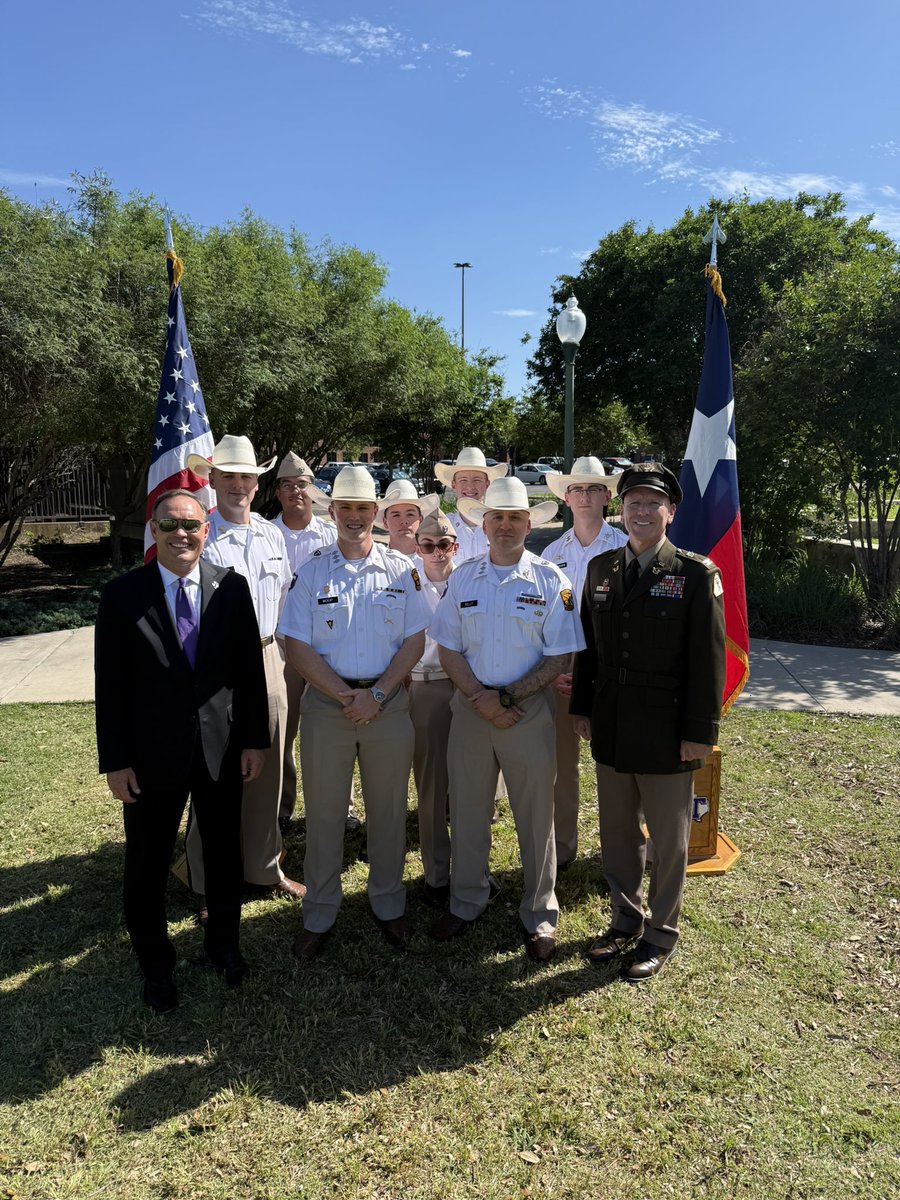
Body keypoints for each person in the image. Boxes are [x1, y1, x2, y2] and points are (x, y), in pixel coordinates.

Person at [95, 489, 270, 1012]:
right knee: (146, 865)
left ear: (206, 531)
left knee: (222, 857)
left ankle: (224, 946)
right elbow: (112, 686)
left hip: (220, 751)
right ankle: (156, 965)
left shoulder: (231, 589)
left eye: (191, 526)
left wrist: (254, 740)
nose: (181, 535)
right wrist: (116, 760)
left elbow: (249, 674)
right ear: (154, 531)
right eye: (169, 526)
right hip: (149, 758)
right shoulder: (123, 595)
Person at [570, 463, 725, 982]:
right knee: (617, 833)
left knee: (667, 837)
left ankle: (660, 933)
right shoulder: (601, 570)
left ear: (670, 512)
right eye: (632, 502)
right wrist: (582, 708)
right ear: (621, 509)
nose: (640, 511)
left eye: (651, 503)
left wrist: (699, 733)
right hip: (611, 723)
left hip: (666, 730)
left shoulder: (695, 573)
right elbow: (590, 650)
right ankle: (624, 919)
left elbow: (709, 661)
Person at [429, 477, 584, 963]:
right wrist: (480, 697)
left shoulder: (550, 580)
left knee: (536, 816)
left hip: (529, 712)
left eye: (515, 517)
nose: (506, 526)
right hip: (471, 710)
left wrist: (507, 696)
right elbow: (449, 645)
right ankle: (467, 899)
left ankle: (540, 912)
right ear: (484, 522)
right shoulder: (464, 577)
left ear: (527, 524)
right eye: (497, 517)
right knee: (470, 810)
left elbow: (560, 655)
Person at [278, 466, 430, 960]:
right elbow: (295, 643)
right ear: (333, 510)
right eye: (347, 507)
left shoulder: (399, 570)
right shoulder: (312, 570)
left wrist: (379, 695)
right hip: (328, 707)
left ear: (376, 514)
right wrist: (345, 695)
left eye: (364, 508)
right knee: (323, 814)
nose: (355, 516)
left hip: (387, 705)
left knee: (387, 812)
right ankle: (320, 912)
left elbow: (414, 639)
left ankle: (388, 904)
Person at [184, 435, 305, 907]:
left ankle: (262, 866)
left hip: (269, 656)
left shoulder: (271, 534)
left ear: (258, 484)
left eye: (246, 477)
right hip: (216, 667)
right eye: (228, 475)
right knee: (214, 768)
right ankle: (205, 875)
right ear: (211, 481)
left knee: (269, 765)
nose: (237, 484)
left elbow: (284, 600)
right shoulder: (201, 535)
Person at [542, 457, 628, 868]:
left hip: (612, 665)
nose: (585, 496)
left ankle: (624, 850)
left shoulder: (626, 548)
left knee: (619, 765)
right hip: (563, 667)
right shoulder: (551, 552)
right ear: (565, 497)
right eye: (576, 489)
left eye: (594, 488)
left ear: (608, 496)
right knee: (562, 766)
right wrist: (561, 669)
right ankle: (562, 850)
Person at [269, 452, 336, 834]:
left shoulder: (330, 534)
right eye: (288, 484)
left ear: (314, 491)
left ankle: (340, 808)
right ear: (277, 492)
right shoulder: (267, 534)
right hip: (284, 647)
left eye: (303, 484)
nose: (296, 491)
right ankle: (283, 805)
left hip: (327, 646)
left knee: (334, 728)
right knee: (284, 730)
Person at [409, 511, 458, 908]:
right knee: (431, 786)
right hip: (424, 686)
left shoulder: (471, 578)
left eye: (444, 545)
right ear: (417, 547)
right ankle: (436, 873)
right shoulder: (403, 583)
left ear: (455, 546)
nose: (437, 552)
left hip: (467, 687)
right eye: (428, 546)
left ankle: (473, 870)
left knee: (469, 789)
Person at [435, 447, 507, 563]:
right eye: (463, 480)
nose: (470, 487)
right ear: (454, 485)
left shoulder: (501, 527)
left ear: (487, 484)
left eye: (477, 480)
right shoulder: (441, 528)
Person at [375, 478, 440, 557]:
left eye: (410, 514)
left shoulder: (434, 562)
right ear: (385, 522)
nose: (404, 521)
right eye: (396, 515)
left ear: (421, 520)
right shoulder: (376, 562)